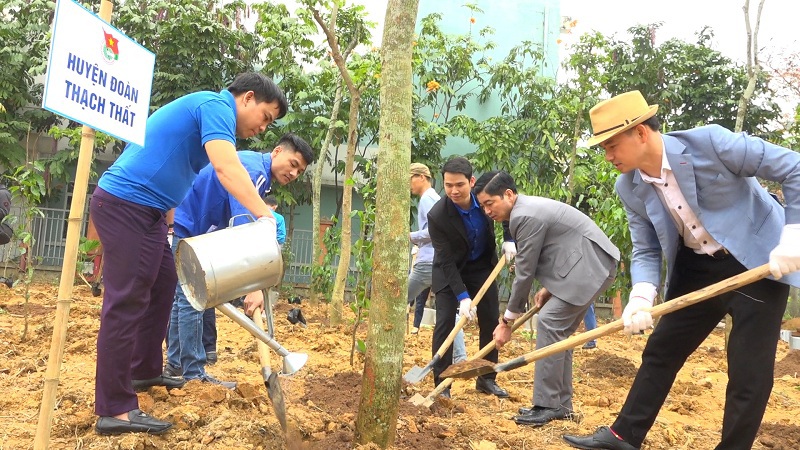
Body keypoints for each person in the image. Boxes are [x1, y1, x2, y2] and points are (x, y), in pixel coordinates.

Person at [562, 90, 800, 450]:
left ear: (641, 132)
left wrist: (793, 235)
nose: (608, 156)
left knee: (748, 371)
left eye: (611, 145)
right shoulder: (629, 186)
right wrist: (641, 296)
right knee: (661, 350)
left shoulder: (713, 143)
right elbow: (646, 247)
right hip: (696, 268)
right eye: (603, 149)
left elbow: (793, 167)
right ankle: (623, 437)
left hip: (758, 259)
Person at [90, 72, 288, 436]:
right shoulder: (216, 107)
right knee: (127, 300)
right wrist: (265, 214)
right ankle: (114, 408)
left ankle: (144, 369)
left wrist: (167, 225)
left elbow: (175, 168)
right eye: (266, 117)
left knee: (165, 281)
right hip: (125, 204)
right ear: (247, 98)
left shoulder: (211, 115)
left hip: (151, 213)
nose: (263, 129)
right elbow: (228, 169)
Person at [164, 134, 314, 389]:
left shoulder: (255, 168)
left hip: (189, 223)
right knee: (193, 298)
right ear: (277, 151)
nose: (294, 173)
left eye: (299, 171)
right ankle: (193, 373)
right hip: (190, 224)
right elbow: (242, 226)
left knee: (184, 297)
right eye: (293, 164)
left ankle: (176, 365)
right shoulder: (255, 171)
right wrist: (253, 285)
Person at [474, 170, 619, 426]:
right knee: (556, 330)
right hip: (585, 264)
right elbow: (555, 249)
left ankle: (548, 404)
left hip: (590, 264)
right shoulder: (524, 211)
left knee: (550, 322)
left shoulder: (525, 215)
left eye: (489, 203)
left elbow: (525, 271)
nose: (487, 211)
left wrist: (506, 322)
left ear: (508, 194)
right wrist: (551, 288)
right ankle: (559, 405)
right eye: (483, 206)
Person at [427, 157, 516, 399]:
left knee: (489, 319)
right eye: (448, 185)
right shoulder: (438, 215)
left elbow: (507, 209)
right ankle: (442, 384)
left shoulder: (483, 197)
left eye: (459, 185)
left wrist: (509, 237)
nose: (454, 191)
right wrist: (463, 297)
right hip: (450, 270)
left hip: (481, 266)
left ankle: (486, 378)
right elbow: (445, 260)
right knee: (445, 323)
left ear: (471, 182)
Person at [407, 163, 467, 362]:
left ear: (422, 177)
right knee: (448, 310)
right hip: (437, 261)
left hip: (428, 263)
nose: (409, 184)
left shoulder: (427, 199)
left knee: (395, 300)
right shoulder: (432, 198)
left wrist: (410, 236)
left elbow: (436, 230)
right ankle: (460, 358)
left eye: (410, 179)